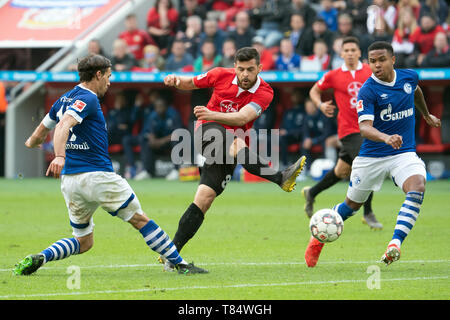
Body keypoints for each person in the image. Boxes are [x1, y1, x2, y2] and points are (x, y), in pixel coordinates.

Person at [13, 54, 206, 275]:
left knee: (84, 241)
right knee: (140, 220)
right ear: (98, 74)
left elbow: (43, 127)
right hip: (97, 176)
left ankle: (42, 256)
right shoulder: (90, 98)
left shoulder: (64, 98)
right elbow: (64, 124)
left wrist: (33, 141)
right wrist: (59, 156)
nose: (110, 82)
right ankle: (180, 265)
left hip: (71, 182)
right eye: (108, 76)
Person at [160, 47, 306, 271]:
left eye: (250, 69)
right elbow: (190, 82)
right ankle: (280, 178)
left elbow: (242, 118)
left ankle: (172, 255)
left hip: (229, 136)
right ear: (234, 67)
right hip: (207, 131)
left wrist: (212, 113)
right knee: (238, 143)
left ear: (260, 68)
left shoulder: (265, 92)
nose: (245, 74)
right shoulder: (220, 74)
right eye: (240, 69)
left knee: (205, 198)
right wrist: (175, 80)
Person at [304, 41, 441, 268]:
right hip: (372, 156)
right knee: (350, 207)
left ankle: (395, 243)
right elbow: (364, 128)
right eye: (373, 61)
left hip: (403, 153)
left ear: (393, 59)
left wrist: (425, 114)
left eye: (381, 60)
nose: (376, 65)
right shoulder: (368, 90)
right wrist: (386, 137)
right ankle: (317, 239)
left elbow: (415, 90)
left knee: (417, 186)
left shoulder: (409, 76)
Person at [303, 36, 383, 230]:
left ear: (359, 53)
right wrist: (320, 104)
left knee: (341, 171)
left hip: (369, 126)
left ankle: (312, 193)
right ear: (341, 54)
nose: (349, 53)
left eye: (353, 50)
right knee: (368, 163)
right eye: (346, 51)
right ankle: (368, 212)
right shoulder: (334, 75)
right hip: (349, 130)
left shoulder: (368, 71)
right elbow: (314, 91)